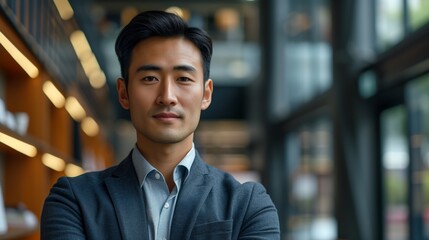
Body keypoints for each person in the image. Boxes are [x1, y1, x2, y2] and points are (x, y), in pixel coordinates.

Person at [41, 10, 280, 240]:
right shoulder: (74, 201)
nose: (167, 96)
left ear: (206, 94)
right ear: (124, 93)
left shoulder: (247, 205)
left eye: (183, 79)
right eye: (150, 79)